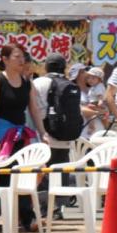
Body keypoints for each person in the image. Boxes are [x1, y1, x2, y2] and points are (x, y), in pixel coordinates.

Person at [0, 43, 46, 231]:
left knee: (24, 173)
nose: (21, 60)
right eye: (16, 56)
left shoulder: (27, 82)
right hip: (2, 136)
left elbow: (34, 110)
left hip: (20, 135)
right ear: (4, 59)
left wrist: (43, 133)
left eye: (22, 56)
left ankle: (27, 218)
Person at [33, 53, 82, 219]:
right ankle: (59, 208)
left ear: (46, 67)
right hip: (66, 138)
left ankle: (46, 208)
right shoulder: (70, 85)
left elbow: (35, 110)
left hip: (46, 136)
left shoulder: (39, 83)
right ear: (64, 67)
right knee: (61, 172)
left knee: (45, 172)